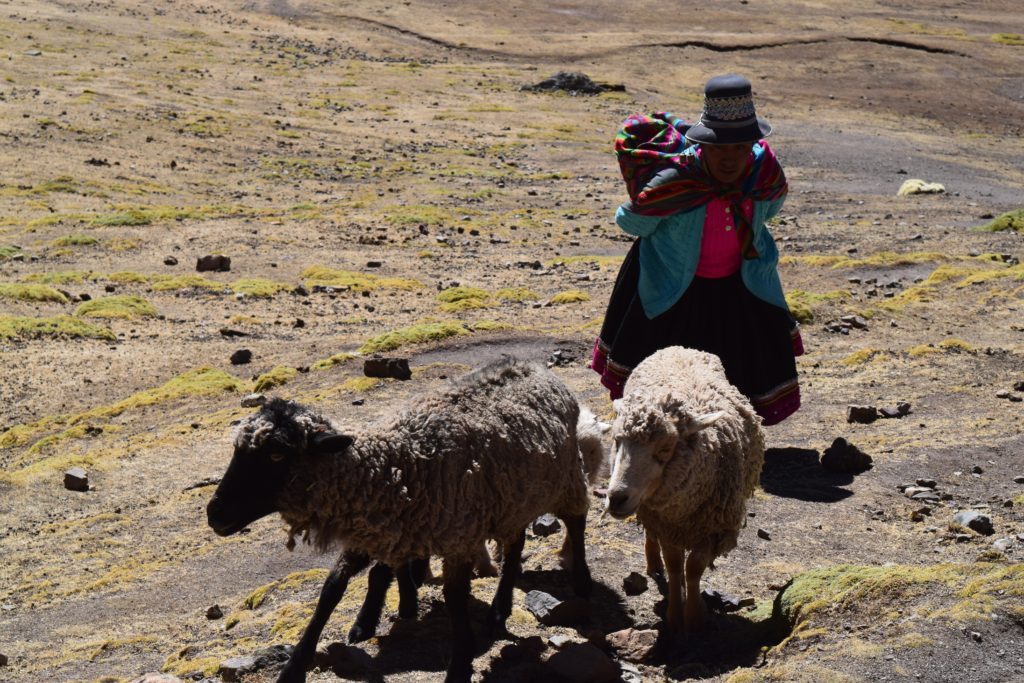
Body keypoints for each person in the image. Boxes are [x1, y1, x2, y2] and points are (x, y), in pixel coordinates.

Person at [590, 74, 803, 426]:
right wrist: (665, 206)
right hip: (674, 287)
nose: (730, 158)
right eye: (719, 147)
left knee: (739, 362)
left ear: (751, 144)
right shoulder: (676, 178)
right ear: (703, 145)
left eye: (738, 147)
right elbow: (631, 222)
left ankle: (729, 438)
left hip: (740, 286)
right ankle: (659, 434)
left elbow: (773, 202)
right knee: (661, 367)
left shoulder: (762, 171)